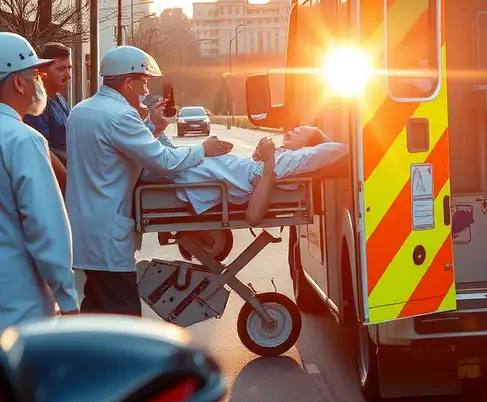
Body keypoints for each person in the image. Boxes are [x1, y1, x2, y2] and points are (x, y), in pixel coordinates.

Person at [65, 45, 234, 317]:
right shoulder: (120, 115)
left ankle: (89, 359)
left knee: (96, 311)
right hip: (109, 232)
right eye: (143, 83)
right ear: (129, 82)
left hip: (86, 227)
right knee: (124, 316)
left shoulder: (82, 110)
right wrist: (204, 149)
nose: (146, 91)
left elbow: (118, 154)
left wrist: (154, 127)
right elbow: (164, 162)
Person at [0, 33, 78, 328]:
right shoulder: (23, 139)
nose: (39, 83)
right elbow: (46, 228)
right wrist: (68, 300)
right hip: (18, 304)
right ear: (18, 83)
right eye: (34, 75)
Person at [141, 125, 348, 224]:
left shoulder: (290, 161)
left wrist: (267, 161)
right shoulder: (274, 161)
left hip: (185, 173)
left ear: (306, 146)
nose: (293, 130)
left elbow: (328, 151)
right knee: (153, 145)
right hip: (188, 168)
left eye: (301, 131)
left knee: (149, 148)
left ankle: (151, 128)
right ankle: (154, 129)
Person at [24, 41, 72, 192]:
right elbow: (41, 148)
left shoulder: (61, 100)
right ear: (42, 71)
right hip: (53, 185)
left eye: (69, 68)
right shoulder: (37, 106)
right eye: (61, 69)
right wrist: (67, 180)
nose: (68, 75)